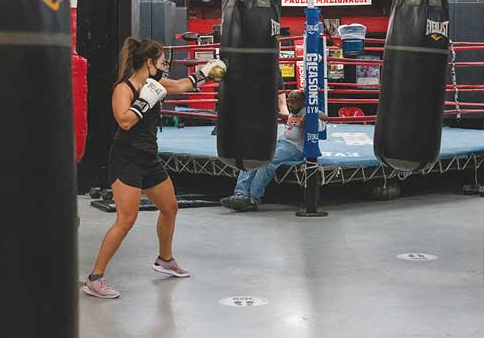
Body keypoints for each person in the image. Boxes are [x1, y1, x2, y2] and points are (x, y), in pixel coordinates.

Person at [83, 37, 225, 299]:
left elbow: (182, 85)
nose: (164, 67)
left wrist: (205, 72)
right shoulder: (123, 89)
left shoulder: (155, 84)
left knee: (170, 208)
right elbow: (124, 121)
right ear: (148, 63)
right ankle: (95, 278)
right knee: (126, 219)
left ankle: (165, 259)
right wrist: (144, 101)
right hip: (126, 159)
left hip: (149, 157)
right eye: (161, 62)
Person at [220, 89, 327, 212]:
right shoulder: (294, 112)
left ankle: (253, 199)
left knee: (268, 162)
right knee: (252, 157)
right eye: (289, 101)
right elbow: (290, 117)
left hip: (296, 147)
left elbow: (323, 119)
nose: (290, 105)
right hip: (281, 143)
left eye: (294, 102)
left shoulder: (311, 113)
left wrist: (310, 117)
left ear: (303, 102)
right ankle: (239, 194)